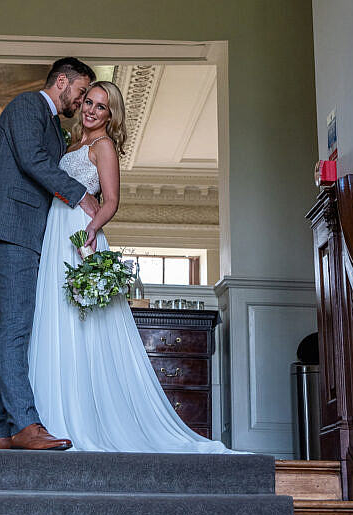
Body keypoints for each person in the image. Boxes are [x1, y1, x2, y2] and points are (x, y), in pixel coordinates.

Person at [26, 80, 232, 453]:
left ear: (111, 115)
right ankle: (52, 418)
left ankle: (83, 419)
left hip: (78, 234)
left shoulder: (103, 146)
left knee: (84, 324)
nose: (90, 110)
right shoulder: (71, 144)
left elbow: (112, 200)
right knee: (56, 318)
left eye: (101, 107)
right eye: (88, 101)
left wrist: (91, 229)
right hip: (54, 231)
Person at [0, 57, 100, 450]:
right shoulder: (28, 106)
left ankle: (1, 433)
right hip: (13, 228)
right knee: (17, 330)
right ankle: (26, 425)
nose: (80, 103)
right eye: (80, 93)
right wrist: (81, 195)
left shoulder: (54, 127)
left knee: (18, 329)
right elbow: (33, 161)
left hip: (27, 232)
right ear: (61, 81)